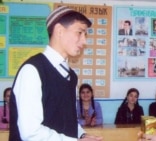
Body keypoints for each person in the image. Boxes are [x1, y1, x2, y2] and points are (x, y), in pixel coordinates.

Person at [9, 6, 102, 141]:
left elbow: (67, 119)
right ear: (59, 31)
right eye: (80, 32)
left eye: (85, 34)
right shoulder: (33, 70)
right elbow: (30, 132)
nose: (84, 41)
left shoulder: (71, 76)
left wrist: (82, 134)